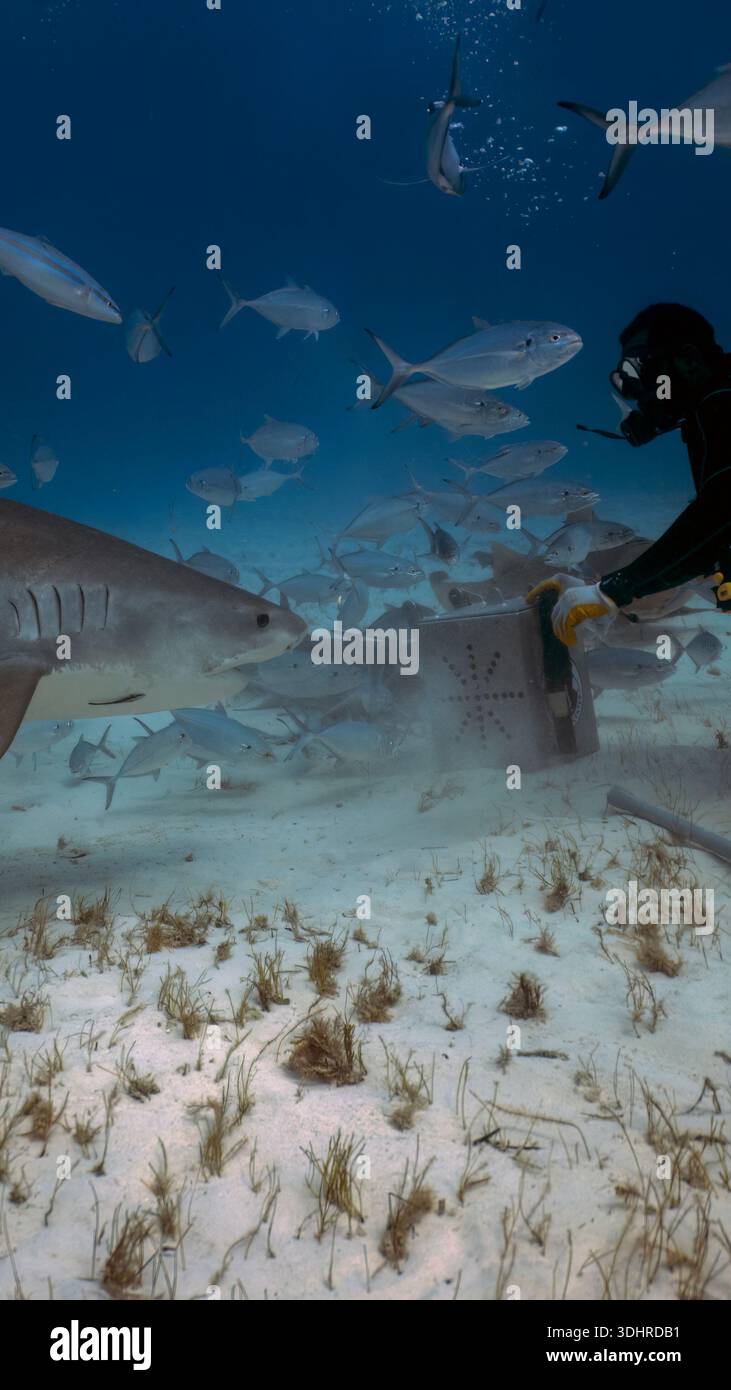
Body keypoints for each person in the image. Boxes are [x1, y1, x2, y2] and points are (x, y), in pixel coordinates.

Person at [528, 303, 731, 645]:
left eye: (651, 377)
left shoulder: (721, 405)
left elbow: (721, 507)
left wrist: (615, 589)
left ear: (689, 360)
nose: (646, 396)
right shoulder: (707, 411)